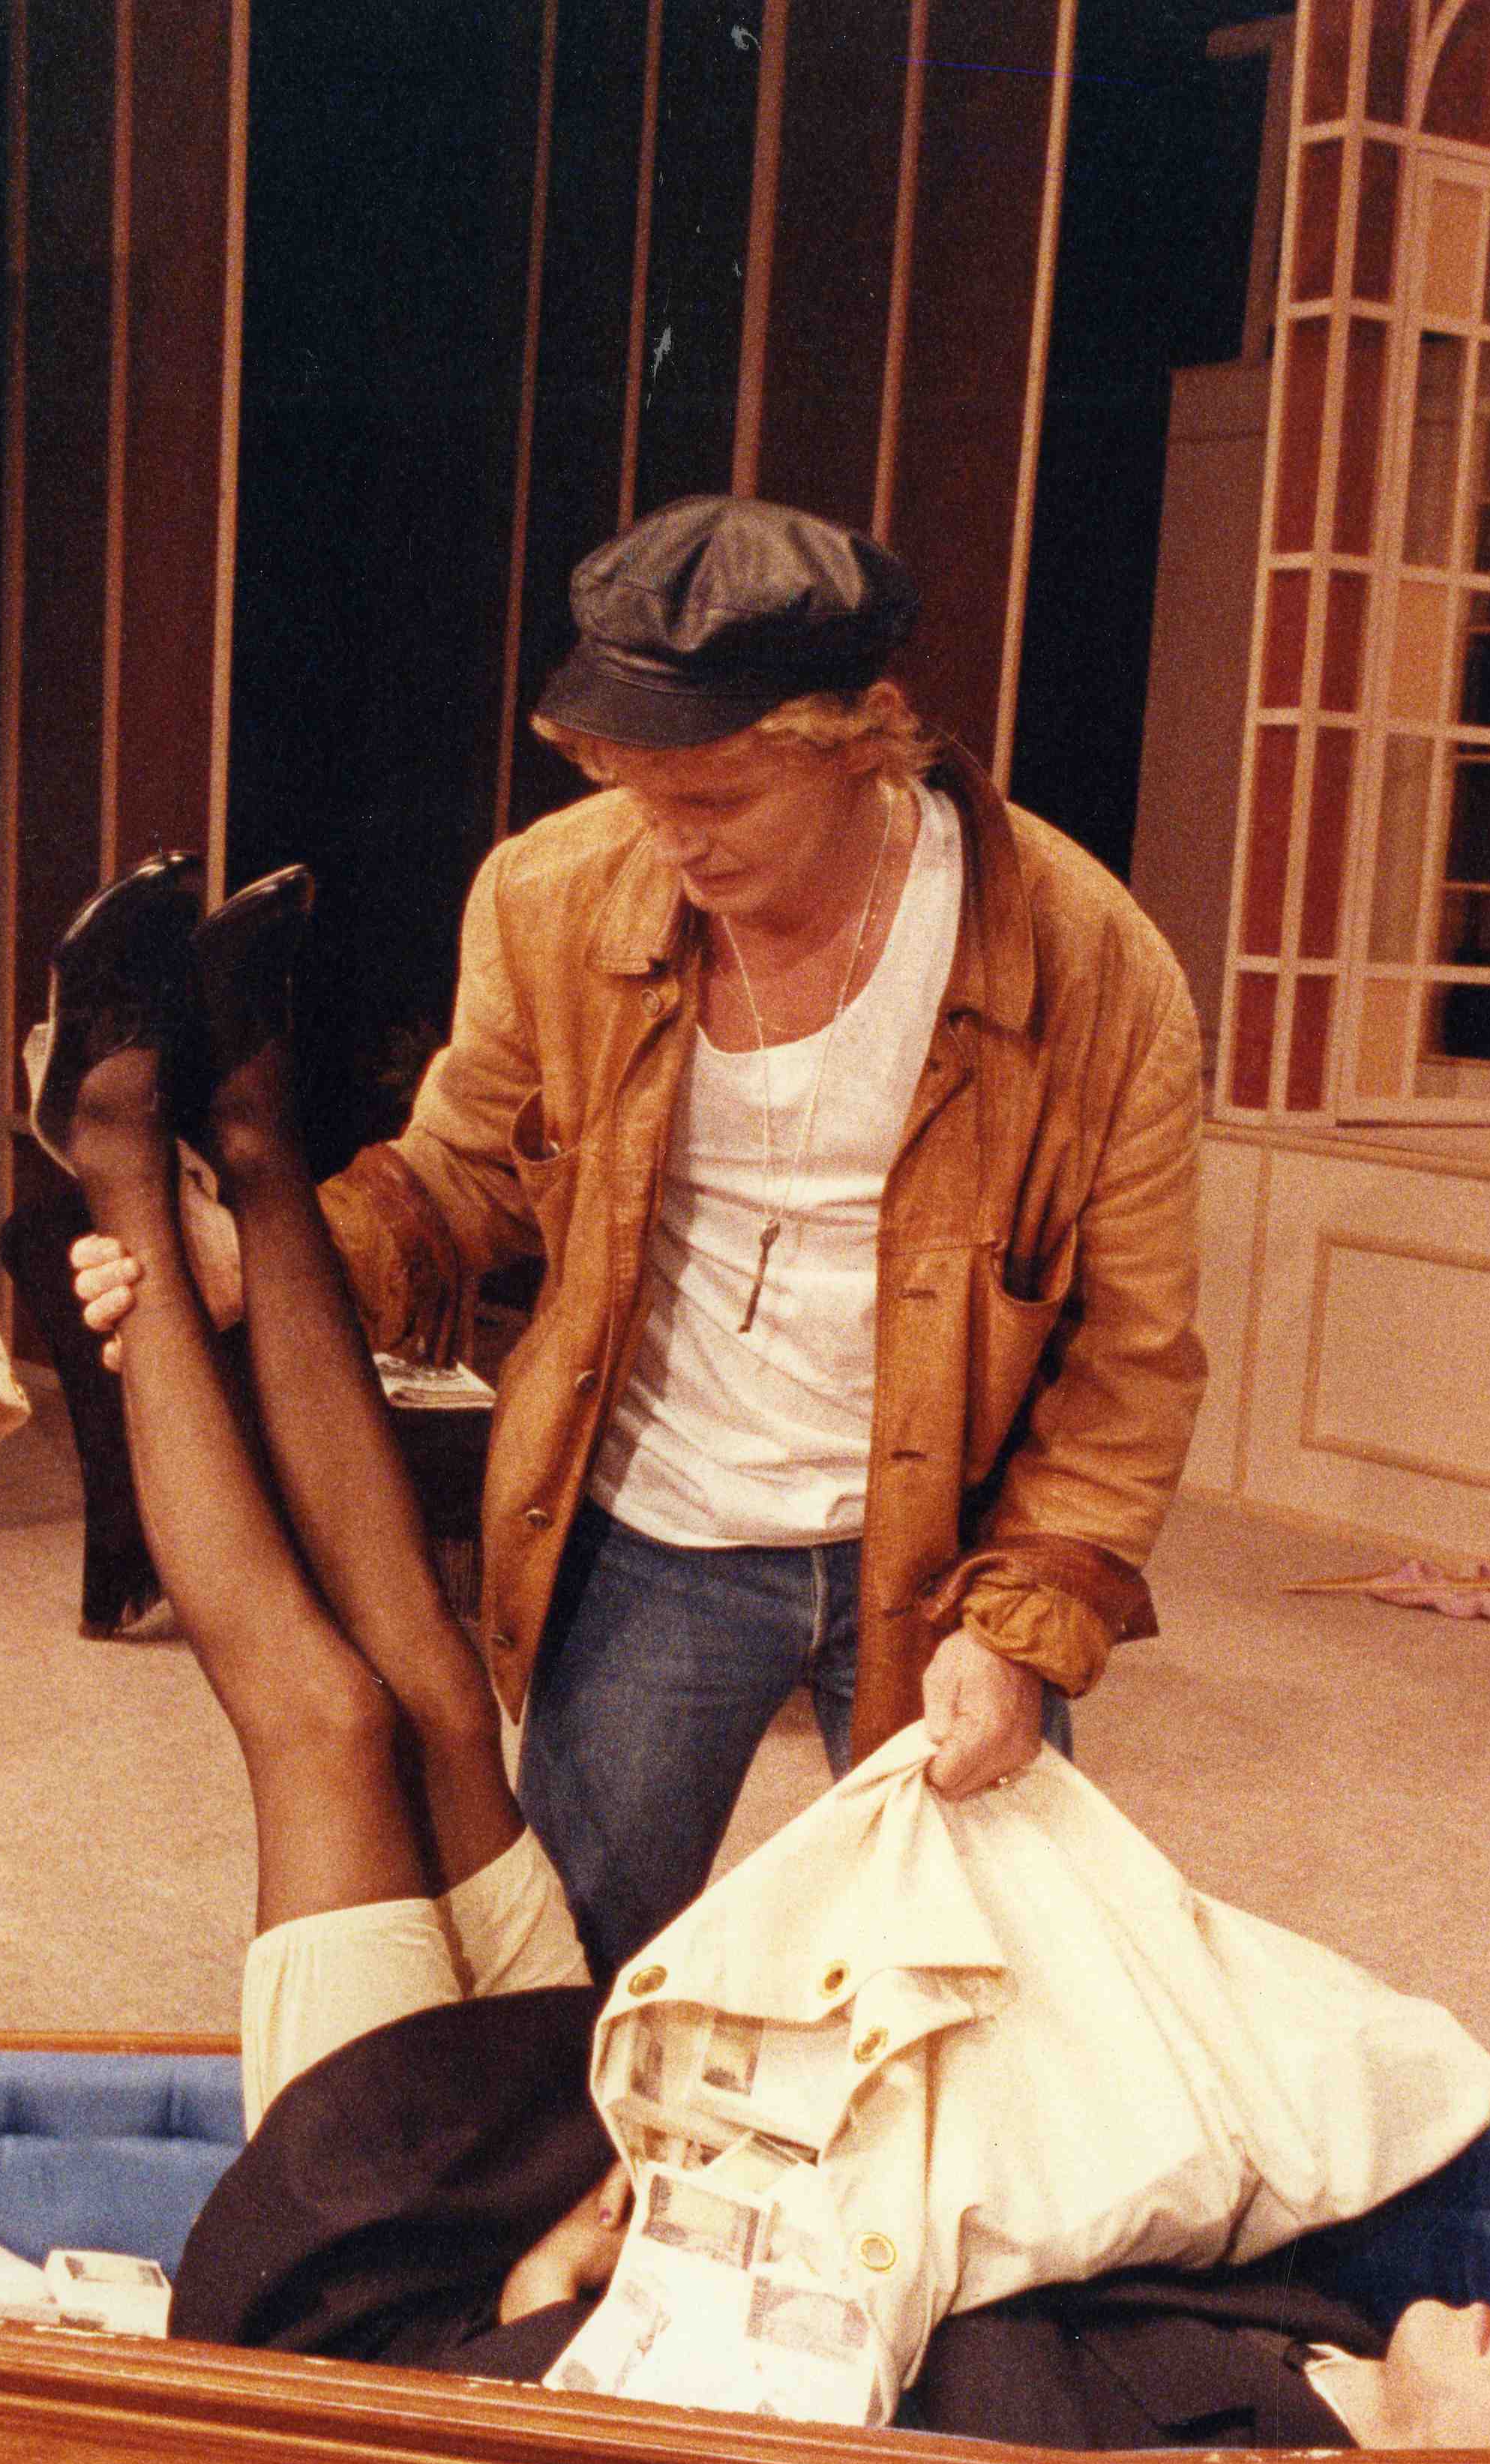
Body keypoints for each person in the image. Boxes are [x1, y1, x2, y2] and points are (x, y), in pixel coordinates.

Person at [31, 858, 1490, 2457]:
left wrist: (558, 2284)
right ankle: (244, 1112)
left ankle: (111, 1142)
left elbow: (761, 2447)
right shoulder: (1319, 2319)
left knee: (333, 1721)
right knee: (433, 1686)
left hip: (418, 2338)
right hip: (611, 2141)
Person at [77, 494, 1207, 1973]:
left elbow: (1130, 1359)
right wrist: (263, 1268)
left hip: (946, 1558)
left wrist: (1021, 1627)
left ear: (858, 739)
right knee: (579, 1975)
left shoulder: (1088, 959)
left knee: (975, 1988)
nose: (670, 837)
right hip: (654, 1529)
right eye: (635, 786)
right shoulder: (553, 892)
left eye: (718, 796)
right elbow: (462, 1177)